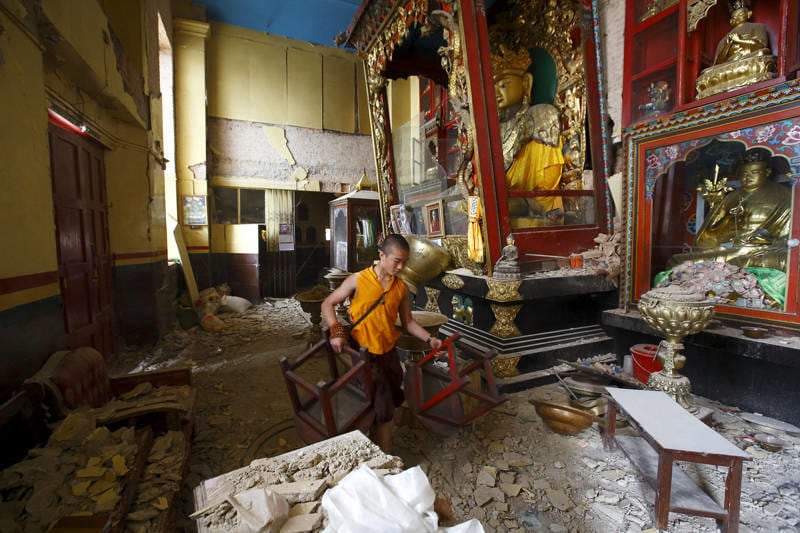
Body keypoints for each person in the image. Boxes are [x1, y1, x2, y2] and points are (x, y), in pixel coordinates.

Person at [321, 234, 443, 452]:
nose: (401, 266)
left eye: (405, 262)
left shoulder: (401, 288)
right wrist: (336, 331)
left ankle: (377, 449)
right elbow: (328, 304)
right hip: (364, 355)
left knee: (389, 404)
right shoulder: (358, 280)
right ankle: (384, 457)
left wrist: (429, 338)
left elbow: (408, 322)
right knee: (384, 408)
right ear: (382, 256)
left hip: (389, 354)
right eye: (397, 260)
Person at [668, 149, 791, 270]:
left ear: (767, 172)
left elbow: (791, 238)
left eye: (754, 172)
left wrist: (765, 241)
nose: (748, 177)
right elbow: (704, 241)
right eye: (744, 173)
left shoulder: (784, 196)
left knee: (786, 260)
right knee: (677, 261)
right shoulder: (730, 198)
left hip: (761, 251)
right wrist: (726, 228)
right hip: (730, 250)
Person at [492, 45, 564, 220]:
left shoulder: (541, 116)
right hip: (506, 202)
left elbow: (548, 181)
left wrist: (525, 202)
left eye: (503, 85)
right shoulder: (496, 128)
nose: (496, 93)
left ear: (526, 83)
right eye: (494, 87)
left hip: (535, 205)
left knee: (498, 206)